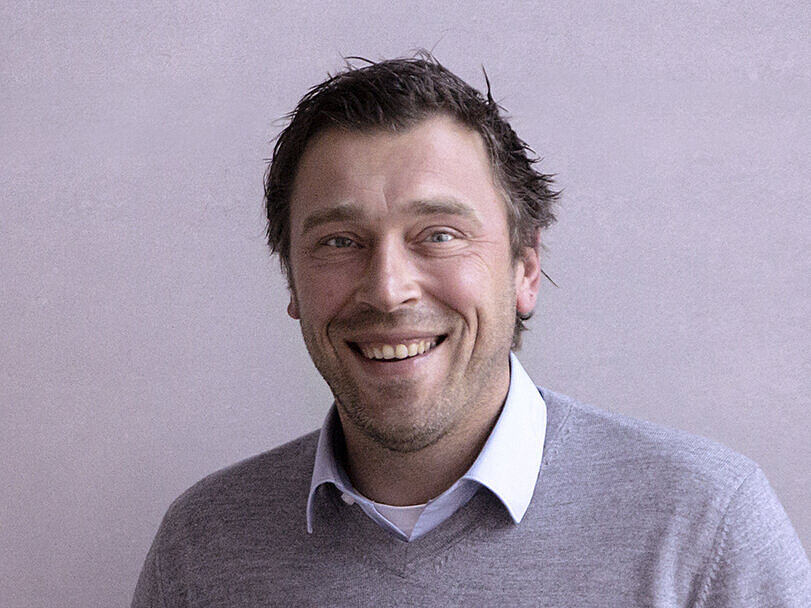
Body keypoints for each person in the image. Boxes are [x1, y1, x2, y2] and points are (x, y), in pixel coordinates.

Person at [132, 54, 809, 607]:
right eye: (339, 242)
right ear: (291, 281)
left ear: (524, 268)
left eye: (439, 235)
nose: (387, 288)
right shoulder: (203, 546)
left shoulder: (703, 527)